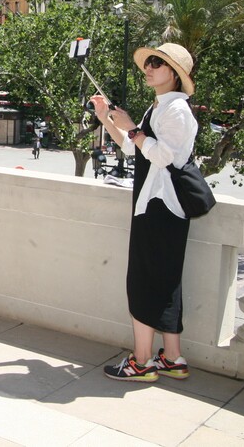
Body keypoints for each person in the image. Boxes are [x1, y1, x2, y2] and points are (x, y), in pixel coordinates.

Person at [90, 43, 198, 383]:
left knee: (143, 283)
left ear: (175, 74)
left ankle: (141, 362)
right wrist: (106, 118)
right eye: (148, 62)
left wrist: (133, 127)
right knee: (165, 283)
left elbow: (163, 156)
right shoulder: (162, 108)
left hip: (160, 207)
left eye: (156, 63)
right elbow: (131, 147)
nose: (148, 68)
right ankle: (173, 358)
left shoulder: (176, 111)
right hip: (159, 207)